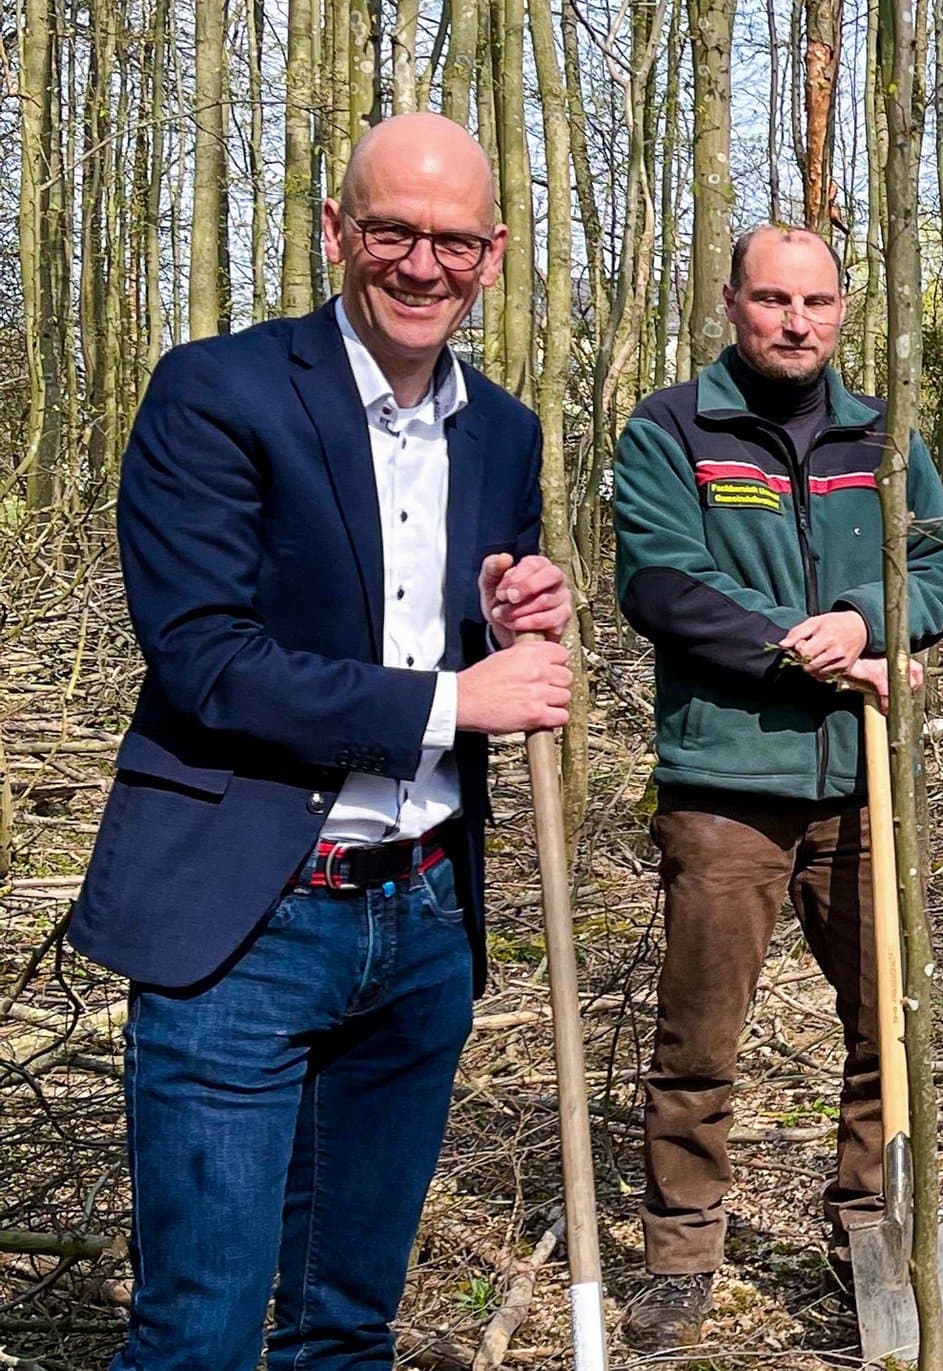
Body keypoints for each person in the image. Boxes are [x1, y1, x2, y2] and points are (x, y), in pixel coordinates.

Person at [72, 112, 575, 1370]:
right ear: (336, 230)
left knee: (345, 1331)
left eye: (453, 241)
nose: (422, 265)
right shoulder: (218, 391)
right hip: (247, 920)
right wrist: (455, 702)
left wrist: (505, 610)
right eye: (392, 231)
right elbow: (205, 658)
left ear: (493, 254)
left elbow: (440, 625)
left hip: (422, 919)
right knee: (199, 1336)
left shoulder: (502, 431)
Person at [610, 224, 943, 1347]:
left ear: (843, 309)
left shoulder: (885, 435)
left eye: (816, 302)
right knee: (699, 1041)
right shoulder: (675, 428)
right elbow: (664, 584)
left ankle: (869, 1229)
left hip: (866, 784)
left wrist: (870, 621)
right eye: (772, 299)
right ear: (731, 302)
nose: (795, 321)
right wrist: (807, 649)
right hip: (728, 783)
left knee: (887, 1026)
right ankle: (681, 1253)